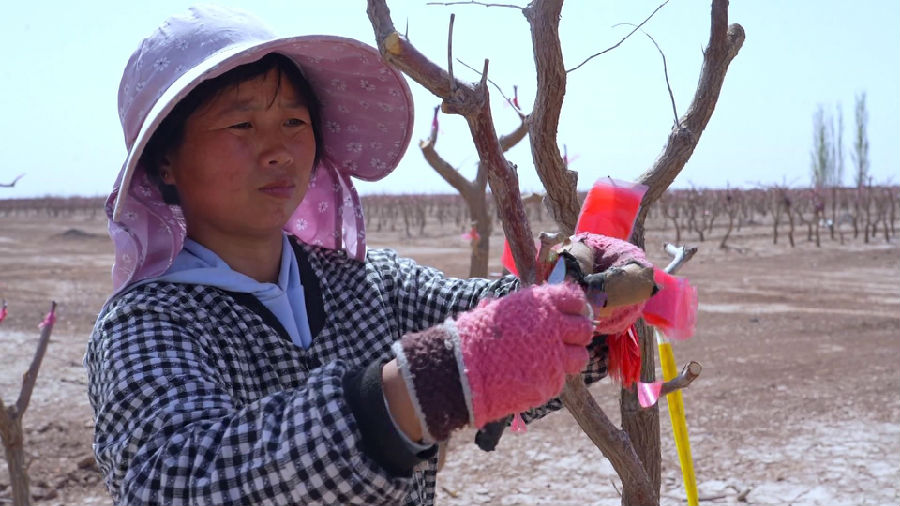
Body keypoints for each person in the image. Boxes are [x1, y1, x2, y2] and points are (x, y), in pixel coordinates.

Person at [85, 5, 651, 506]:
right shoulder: (147, 323)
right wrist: (423, 386)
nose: (279, 150)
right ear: (165, 161)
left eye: (294, 121)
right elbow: (172, 482)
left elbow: (492, 317)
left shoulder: (368, 282)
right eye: (241, 124)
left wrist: (582, 285)